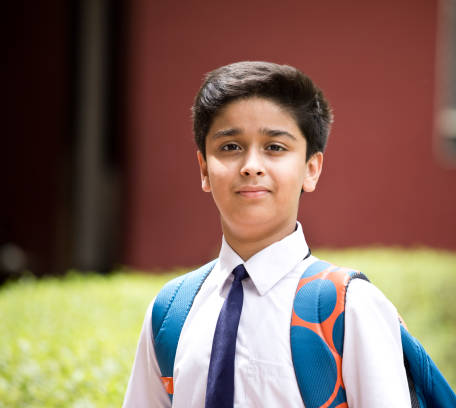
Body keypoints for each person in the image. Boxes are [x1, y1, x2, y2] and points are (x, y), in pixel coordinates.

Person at [122, 61, 412, 407]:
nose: (251, 165)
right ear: (204, 168)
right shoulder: (171, 311)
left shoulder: (351, 308)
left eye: (275, 147)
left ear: (311, 169)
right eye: (230, 147)